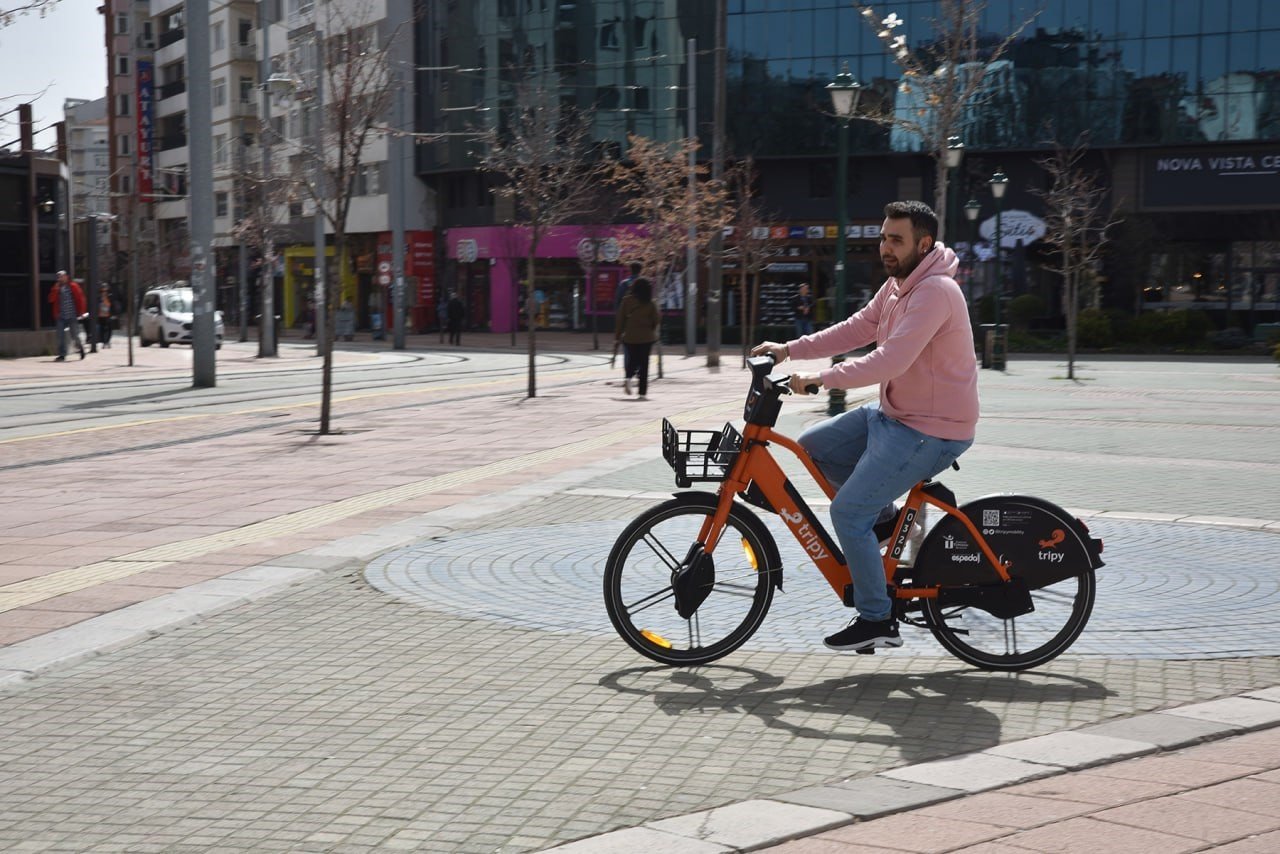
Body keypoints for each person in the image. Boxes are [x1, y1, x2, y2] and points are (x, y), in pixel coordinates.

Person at [751, 201, 978, 653]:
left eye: (896, 239)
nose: (885, 248)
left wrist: (822, 378)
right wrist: (789, 350)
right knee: (814, 446)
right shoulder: (898, 286)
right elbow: (858, 329)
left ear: (924, 244)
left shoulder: (935, 292)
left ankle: (877, 619)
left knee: (846, 514)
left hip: (932, 430)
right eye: (883, 237)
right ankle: (884, 522)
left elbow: (891, 359)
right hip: (896, 416)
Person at [615, 277, 660, 399]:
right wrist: (650, 328)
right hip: (646, 337)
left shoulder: (627, 301)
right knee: (644, 364)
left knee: (633, 360)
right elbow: (657, 319)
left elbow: (620, 320)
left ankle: (628, 379)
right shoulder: (651, 302)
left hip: (630, 337)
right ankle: (642, 393)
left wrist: (617, 336)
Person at [48, 271, 87, 361]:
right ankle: (62, 355)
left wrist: (81, 311)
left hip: (72, 315)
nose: (60, 278)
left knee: (74, 335)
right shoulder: (57, 288)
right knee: (60, 336)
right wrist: (55, 289)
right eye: (59, 277)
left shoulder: (73, 286)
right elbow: (51, 299)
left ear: (66, 277)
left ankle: (81, 348)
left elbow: (81, 298)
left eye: (62, 276)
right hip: (60, 316)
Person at [96, 283, 118, 348]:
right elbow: (97, 305)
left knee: (109, 329)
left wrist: (114, 314)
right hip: (101, 315)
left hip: (108, 315)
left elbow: (113, 305)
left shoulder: (110, 296)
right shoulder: (99, 296)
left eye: (105, 288)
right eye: (103, 288)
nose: (104, 289)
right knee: (102, 329)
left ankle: (107, 341)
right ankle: (104, 342)